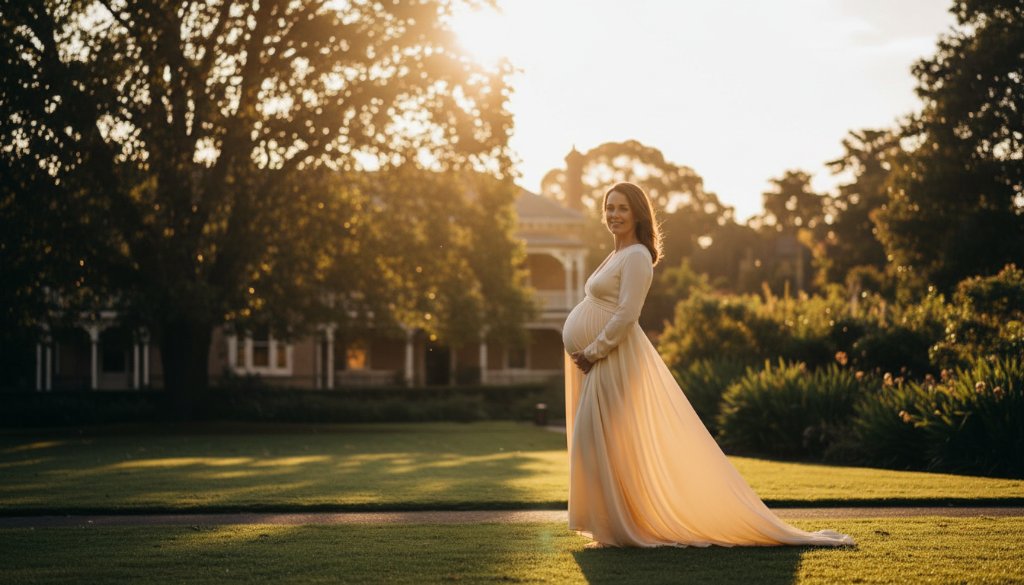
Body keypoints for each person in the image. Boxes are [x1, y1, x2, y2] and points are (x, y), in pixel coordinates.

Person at [561, 182, 856, 549]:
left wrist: (593, 350)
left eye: (621, 208)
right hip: (599, 359)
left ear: (638, 213)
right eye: (609, 208)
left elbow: (627, 314)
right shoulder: (617, 253)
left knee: (600, 444)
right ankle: (612, 528)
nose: (614, 215)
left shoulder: (637, 255)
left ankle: (622, 528)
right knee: (599, 445)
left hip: (612, 359)